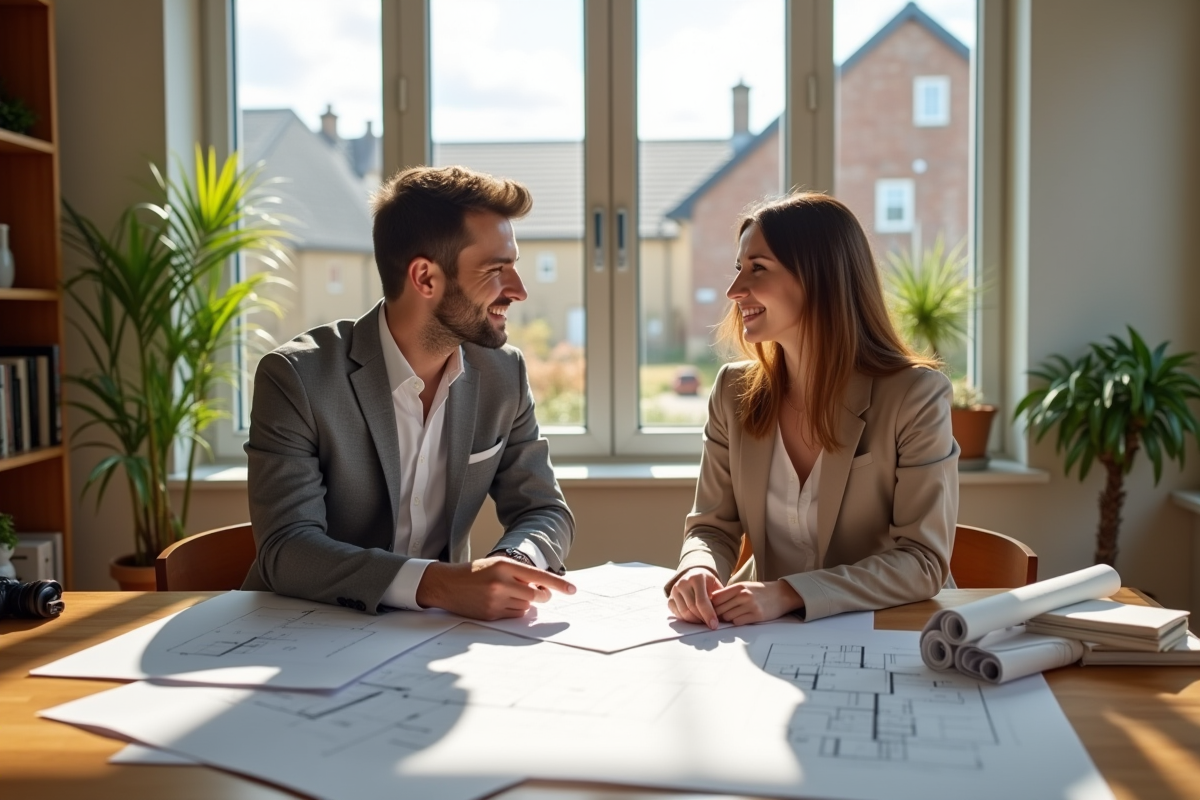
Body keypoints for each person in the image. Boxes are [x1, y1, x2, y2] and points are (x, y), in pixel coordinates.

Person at [242, 165, 576, 619]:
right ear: (425, 278)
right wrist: (436, 584)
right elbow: (287, 548)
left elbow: (545, 511)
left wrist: (512, 564)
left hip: (435, 636)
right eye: (496, 270)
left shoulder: (504, 373)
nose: (518, 291)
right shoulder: (297, 379)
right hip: (308, 631)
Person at [667, 192, 959, 628]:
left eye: (758, 268)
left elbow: (922, 561)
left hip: (892, 629)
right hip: (769, 633)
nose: (734, 290)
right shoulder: (733, 391)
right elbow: (712, 527)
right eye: (738, 268)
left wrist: (789, 593)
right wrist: (698, 567)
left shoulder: (915, 396)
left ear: (820, 277)